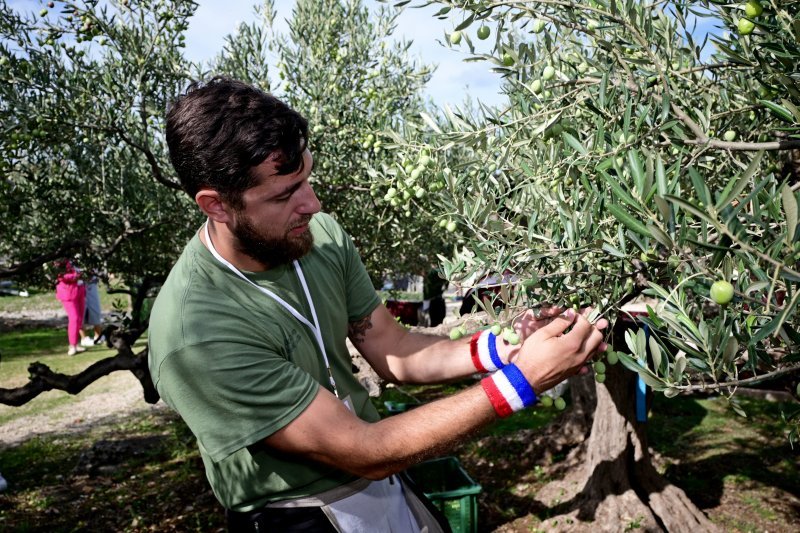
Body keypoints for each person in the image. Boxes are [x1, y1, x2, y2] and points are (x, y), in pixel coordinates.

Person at [148, 77, 608, 532]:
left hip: (385, 484)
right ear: (216, 206)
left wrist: (501, 350)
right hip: (296, 514)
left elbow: (393, 348)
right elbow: (362, 449)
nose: (313, 203)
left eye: (306, 177)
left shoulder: (318, 238)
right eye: (286, 193)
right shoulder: (197, 333)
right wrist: (522, 381)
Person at [54, 258, 87, 356]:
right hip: (68, 293)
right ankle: (72, 345)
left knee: (79, 319)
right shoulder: (59, 259)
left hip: (79, 291)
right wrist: (77, 275)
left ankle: (76, 344)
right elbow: (61, 276)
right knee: (74, 318)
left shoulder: (76, 258)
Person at [80, 270, 105, 347]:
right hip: (78, 284)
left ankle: (98, 336)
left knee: (95, 310)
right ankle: (83, 338)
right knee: (80, 313)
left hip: (92, 282)